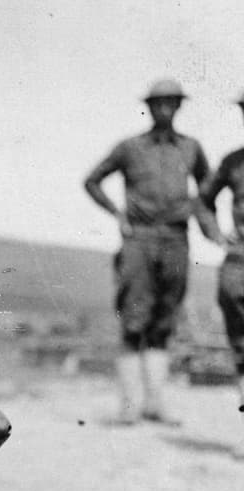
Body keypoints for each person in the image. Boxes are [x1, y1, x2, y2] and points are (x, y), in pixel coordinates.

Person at [84, 78, 216, 425]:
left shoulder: (191, 148)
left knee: (164, 321)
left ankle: (155, 404)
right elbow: (92, 180)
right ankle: (129, 408)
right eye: (158, 103)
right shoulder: (130, 148)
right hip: (139, 241)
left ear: (179, 106)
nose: (165, 109)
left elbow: (208, 190)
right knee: (133, 320)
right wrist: (117, 214)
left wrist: (208, 225)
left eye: (172, 102)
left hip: (176, 240)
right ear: (149, 107)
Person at [199, 89, 244, 415]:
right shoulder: (233, 162)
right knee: (241, 345)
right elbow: (202, 201)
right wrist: (215, 233)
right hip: (239, 262)